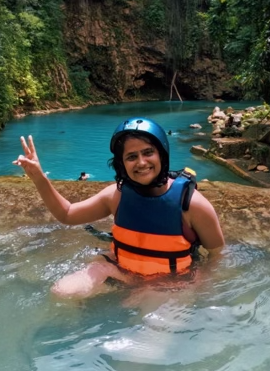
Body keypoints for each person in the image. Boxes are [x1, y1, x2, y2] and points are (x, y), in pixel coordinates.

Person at [13, 117, 225, 299]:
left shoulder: (193, 204)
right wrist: (39, 177)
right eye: (131, 157)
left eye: (148, 152)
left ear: (162, 155)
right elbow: (67, 214)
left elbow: (216, 256)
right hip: (118, 269)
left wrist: (194, 288)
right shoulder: (116, 195)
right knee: (62, 292)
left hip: (168, 282)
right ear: (122, 164)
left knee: (145, 344)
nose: (141, 162)